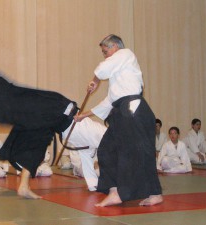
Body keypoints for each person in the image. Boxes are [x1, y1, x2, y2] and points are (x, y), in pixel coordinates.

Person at [0, 66, 106, 198]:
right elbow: (107, 107)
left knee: (36, 140)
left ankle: (24, 186)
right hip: (61, 109)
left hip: (56, 120)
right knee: (30, 101)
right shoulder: (105, 134)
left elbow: (89, 163)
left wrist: (94, 185)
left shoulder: (89, 148)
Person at [74, 34, 163, 207]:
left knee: (139, 153)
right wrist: (84, 114)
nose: (105, 55)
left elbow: (102, 70)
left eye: (105, 51)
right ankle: (114, 191)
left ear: (115, 46)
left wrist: (94, 81)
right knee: (107, 149)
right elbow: (109, 101)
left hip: (134, 110)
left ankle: (153, 192)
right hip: (122, 110)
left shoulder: (125, 54)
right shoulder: (120, 74)